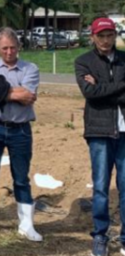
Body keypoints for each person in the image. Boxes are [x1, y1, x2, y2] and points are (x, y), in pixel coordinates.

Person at [0, 27, 43, 242]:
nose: (9, 52)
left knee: (21, 178)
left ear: (19, 47)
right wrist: (12, 92)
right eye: (4, 48)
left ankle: (26, 225)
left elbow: (28, 96)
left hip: (20, 129)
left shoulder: (30, 68)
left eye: (13, 47)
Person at [74, 17, 125, 256]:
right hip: (99, 131)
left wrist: (102, 88)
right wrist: (120, 86)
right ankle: (100, 235)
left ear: (115, 35)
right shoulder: (83, 62)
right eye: (100, 35)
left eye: (109, 35)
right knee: (101, 187)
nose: (105, 40)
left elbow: (98, 92)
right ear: (92, 36)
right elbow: (90, 93)